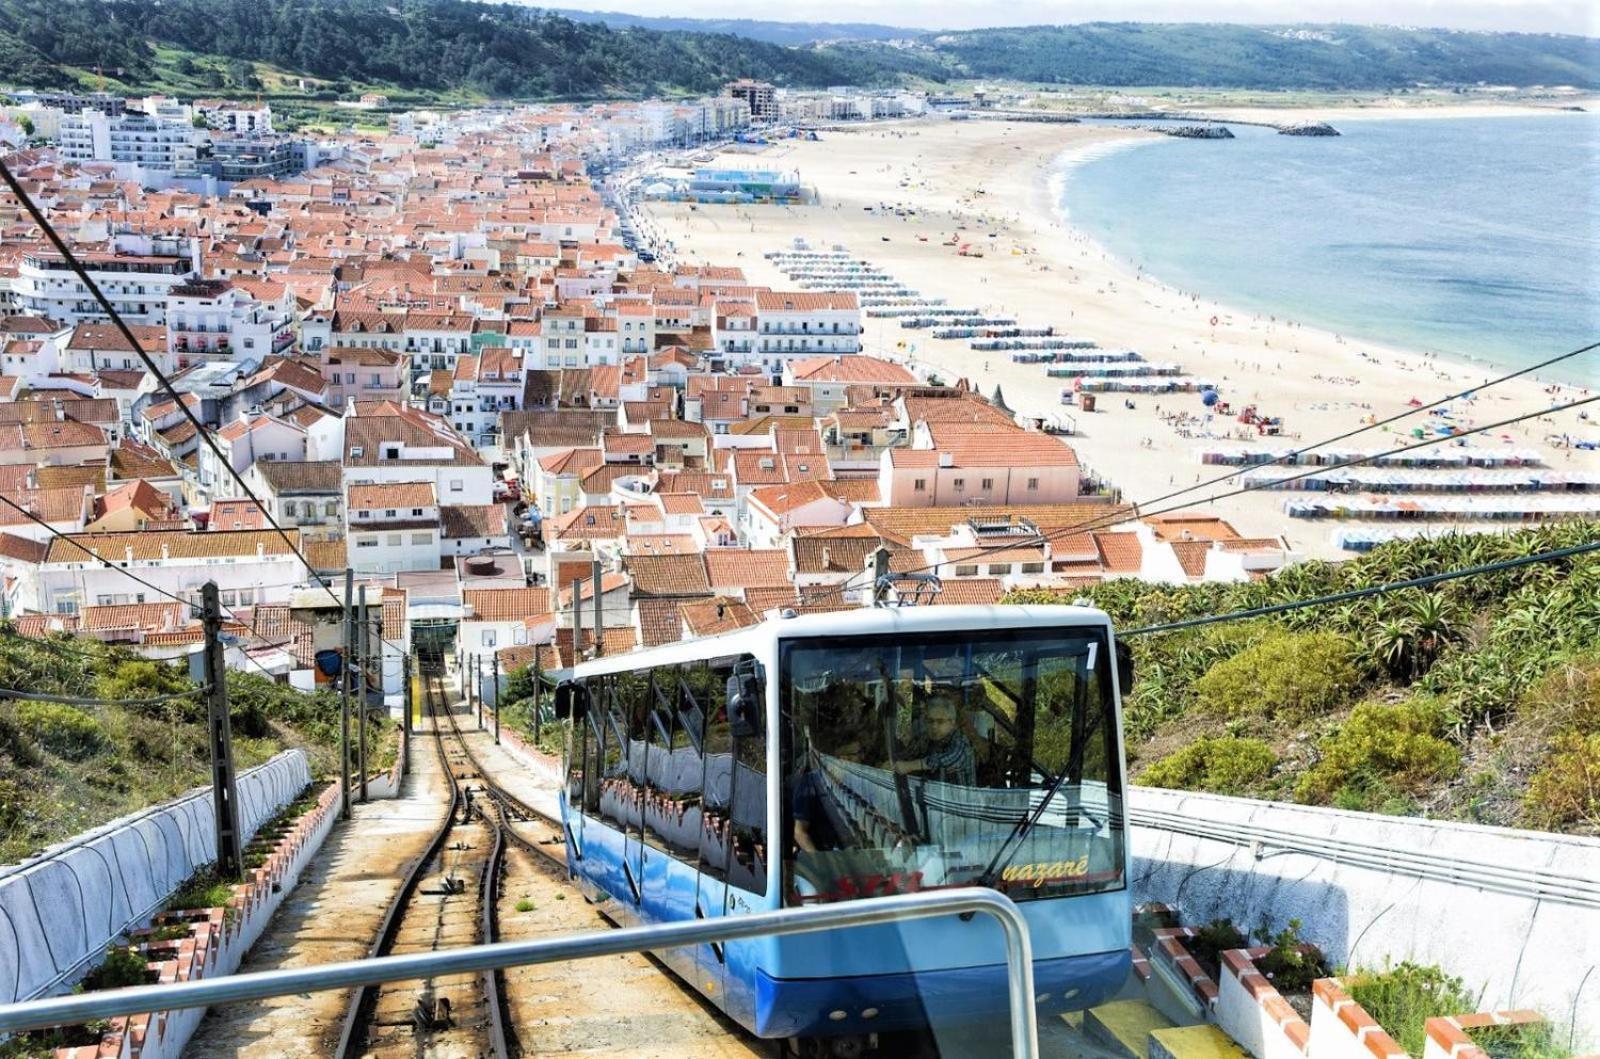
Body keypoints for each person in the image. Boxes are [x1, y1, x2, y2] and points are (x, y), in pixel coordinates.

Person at [893, 697, 976, 787]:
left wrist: (910, 766)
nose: (934, 726)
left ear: (952, 723)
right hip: (928, 796)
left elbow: (945, 760)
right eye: (930, 721)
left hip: (957, 799)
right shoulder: (924, 738)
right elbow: (906, 754)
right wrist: (891, 763)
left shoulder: (961, 743)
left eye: (940, 722)